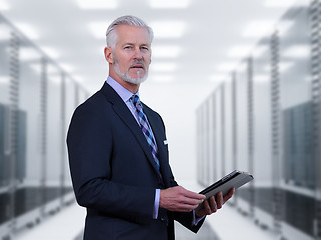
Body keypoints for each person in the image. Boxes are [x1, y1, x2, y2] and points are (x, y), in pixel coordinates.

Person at [67, 15, 234, 240]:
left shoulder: (153, 118)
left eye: (144, 48)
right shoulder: (92, 113)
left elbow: (165, 186)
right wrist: (158, 199)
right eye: (128, 47)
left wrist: (195, 210)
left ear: (151, 56)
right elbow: (89, 189)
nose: (138, 55)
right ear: (109, 55)